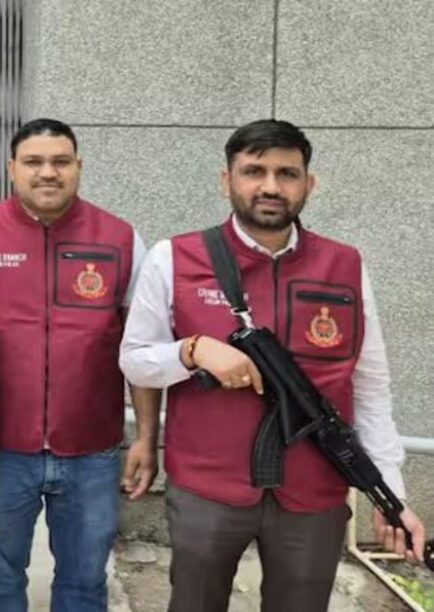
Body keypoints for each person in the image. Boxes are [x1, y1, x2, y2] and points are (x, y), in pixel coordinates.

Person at [119, 119, 428, 611]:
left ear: (309, 184)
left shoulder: (345, 265)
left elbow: (370, 388)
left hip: (314, 491)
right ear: (227, 180)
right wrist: (192, 350)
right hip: (207, 488)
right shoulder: (173, 258)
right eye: (253, 171)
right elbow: (134, 361)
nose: (270, 186)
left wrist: (389, 495)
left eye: (287, 173)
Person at [0, 118, 160, 612]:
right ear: (11, 169)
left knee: (84, 583)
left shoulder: (122, 239)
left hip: (91, 450)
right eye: (34, 162)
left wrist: (146, 438)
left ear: (78, 166)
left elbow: (142, 349)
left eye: (60, 162)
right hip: (0, 449)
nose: (48, 172)